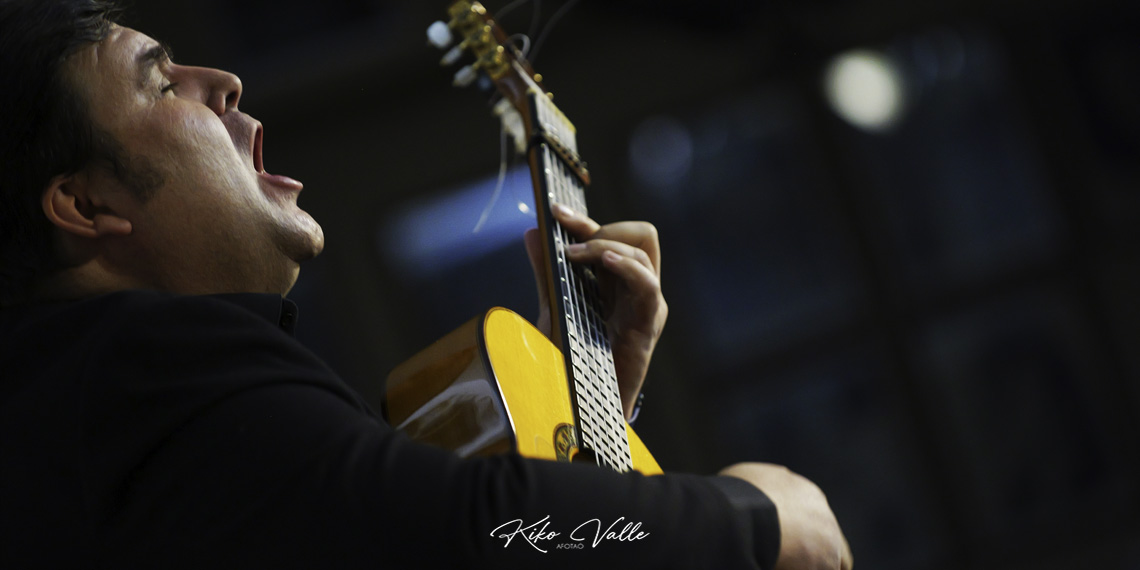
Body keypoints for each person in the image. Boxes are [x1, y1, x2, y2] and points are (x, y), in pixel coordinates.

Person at [0, 1, 853, 568]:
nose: (221, 82)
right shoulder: (138, 364)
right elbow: (478, 529)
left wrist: (586, 408)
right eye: (160, 80)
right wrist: (760, 516)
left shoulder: (94, 412)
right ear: (84, 202)